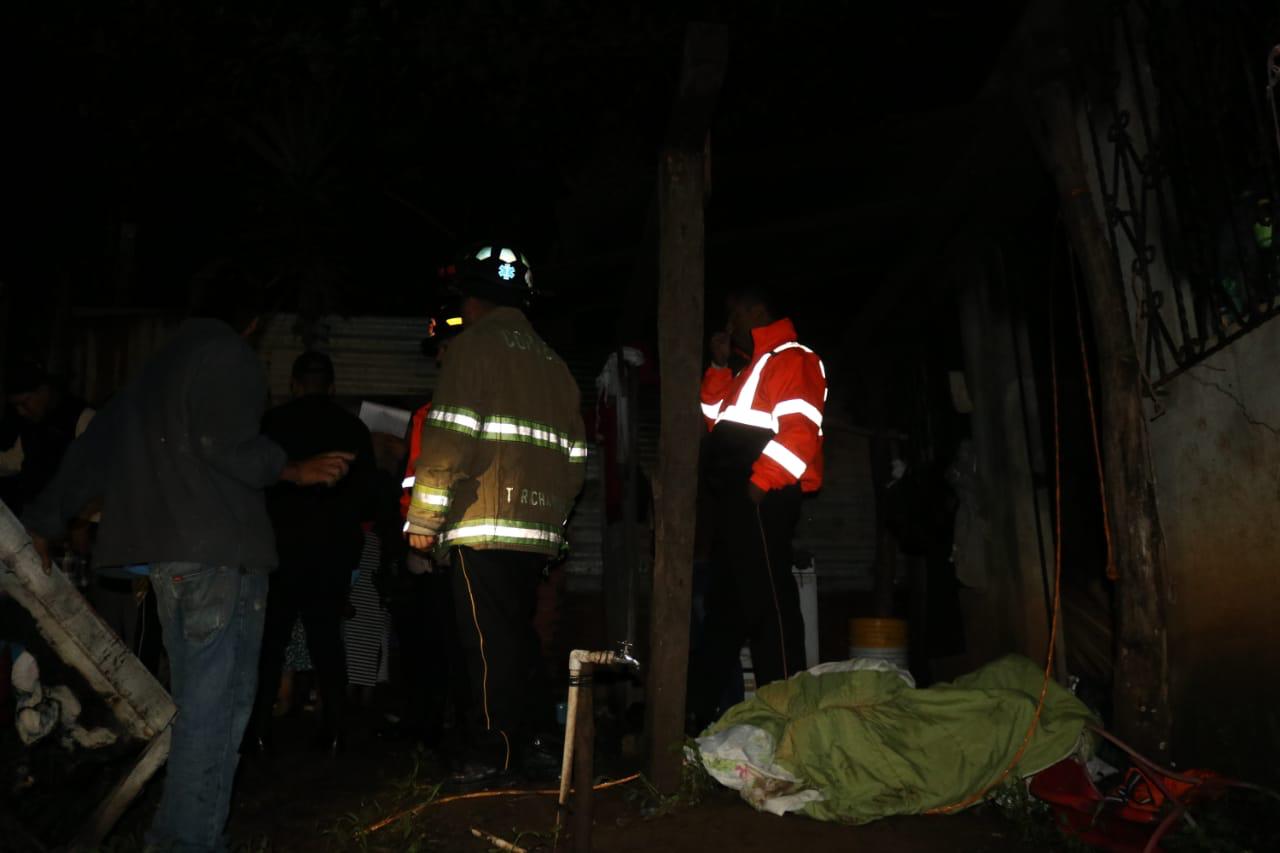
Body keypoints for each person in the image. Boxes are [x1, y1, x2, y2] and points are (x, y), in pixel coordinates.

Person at [21, 264, 353, 853]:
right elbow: (224, 443)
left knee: (197, 707)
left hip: (170, 564)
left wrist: (46, 521)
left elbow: (93, 449)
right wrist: (293, 468)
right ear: (250, 322)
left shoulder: (153, 370)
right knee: (217, 709)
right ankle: (191, 843)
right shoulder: (228, 356)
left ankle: (177, 835)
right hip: (219, 559)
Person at [403, 244, 586, 785]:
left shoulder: (471, 348)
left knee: (485, 644)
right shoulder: (553, 363)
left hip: (482, 524)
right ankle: (537, 744)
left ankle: (493, 753)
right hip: (536, 532)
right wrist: (553, 526)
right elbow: (576, 459)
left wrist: (424, 520)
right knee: (519, 639)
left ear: (472, 299)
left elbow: (450, 438)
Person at [688, 286, 827, 732]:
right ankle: (697, 716)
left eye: (735, 314)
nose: (729, 325)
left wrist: (758, 487)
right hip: (735, 504)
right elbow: (712, 418)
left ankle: (787, 718)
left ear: (759, 311)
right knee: (727, 610)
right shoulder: (749, 369)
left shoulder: (793, 358)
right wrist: (717, 364)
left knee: (770, 605)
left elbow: (800, 435)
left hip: (761, 500)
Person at [250, 351, 378, 755]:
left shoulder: (271, 425)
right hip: (330, 552)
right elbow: (367, 497)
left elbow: (255, 484)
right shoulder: (352, 429)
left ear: (293, 383)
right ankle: (333, 728)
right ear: (332, 385)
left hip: (279, 550)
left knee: (270, 642)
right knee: (327, 641)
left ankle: (259, 729)